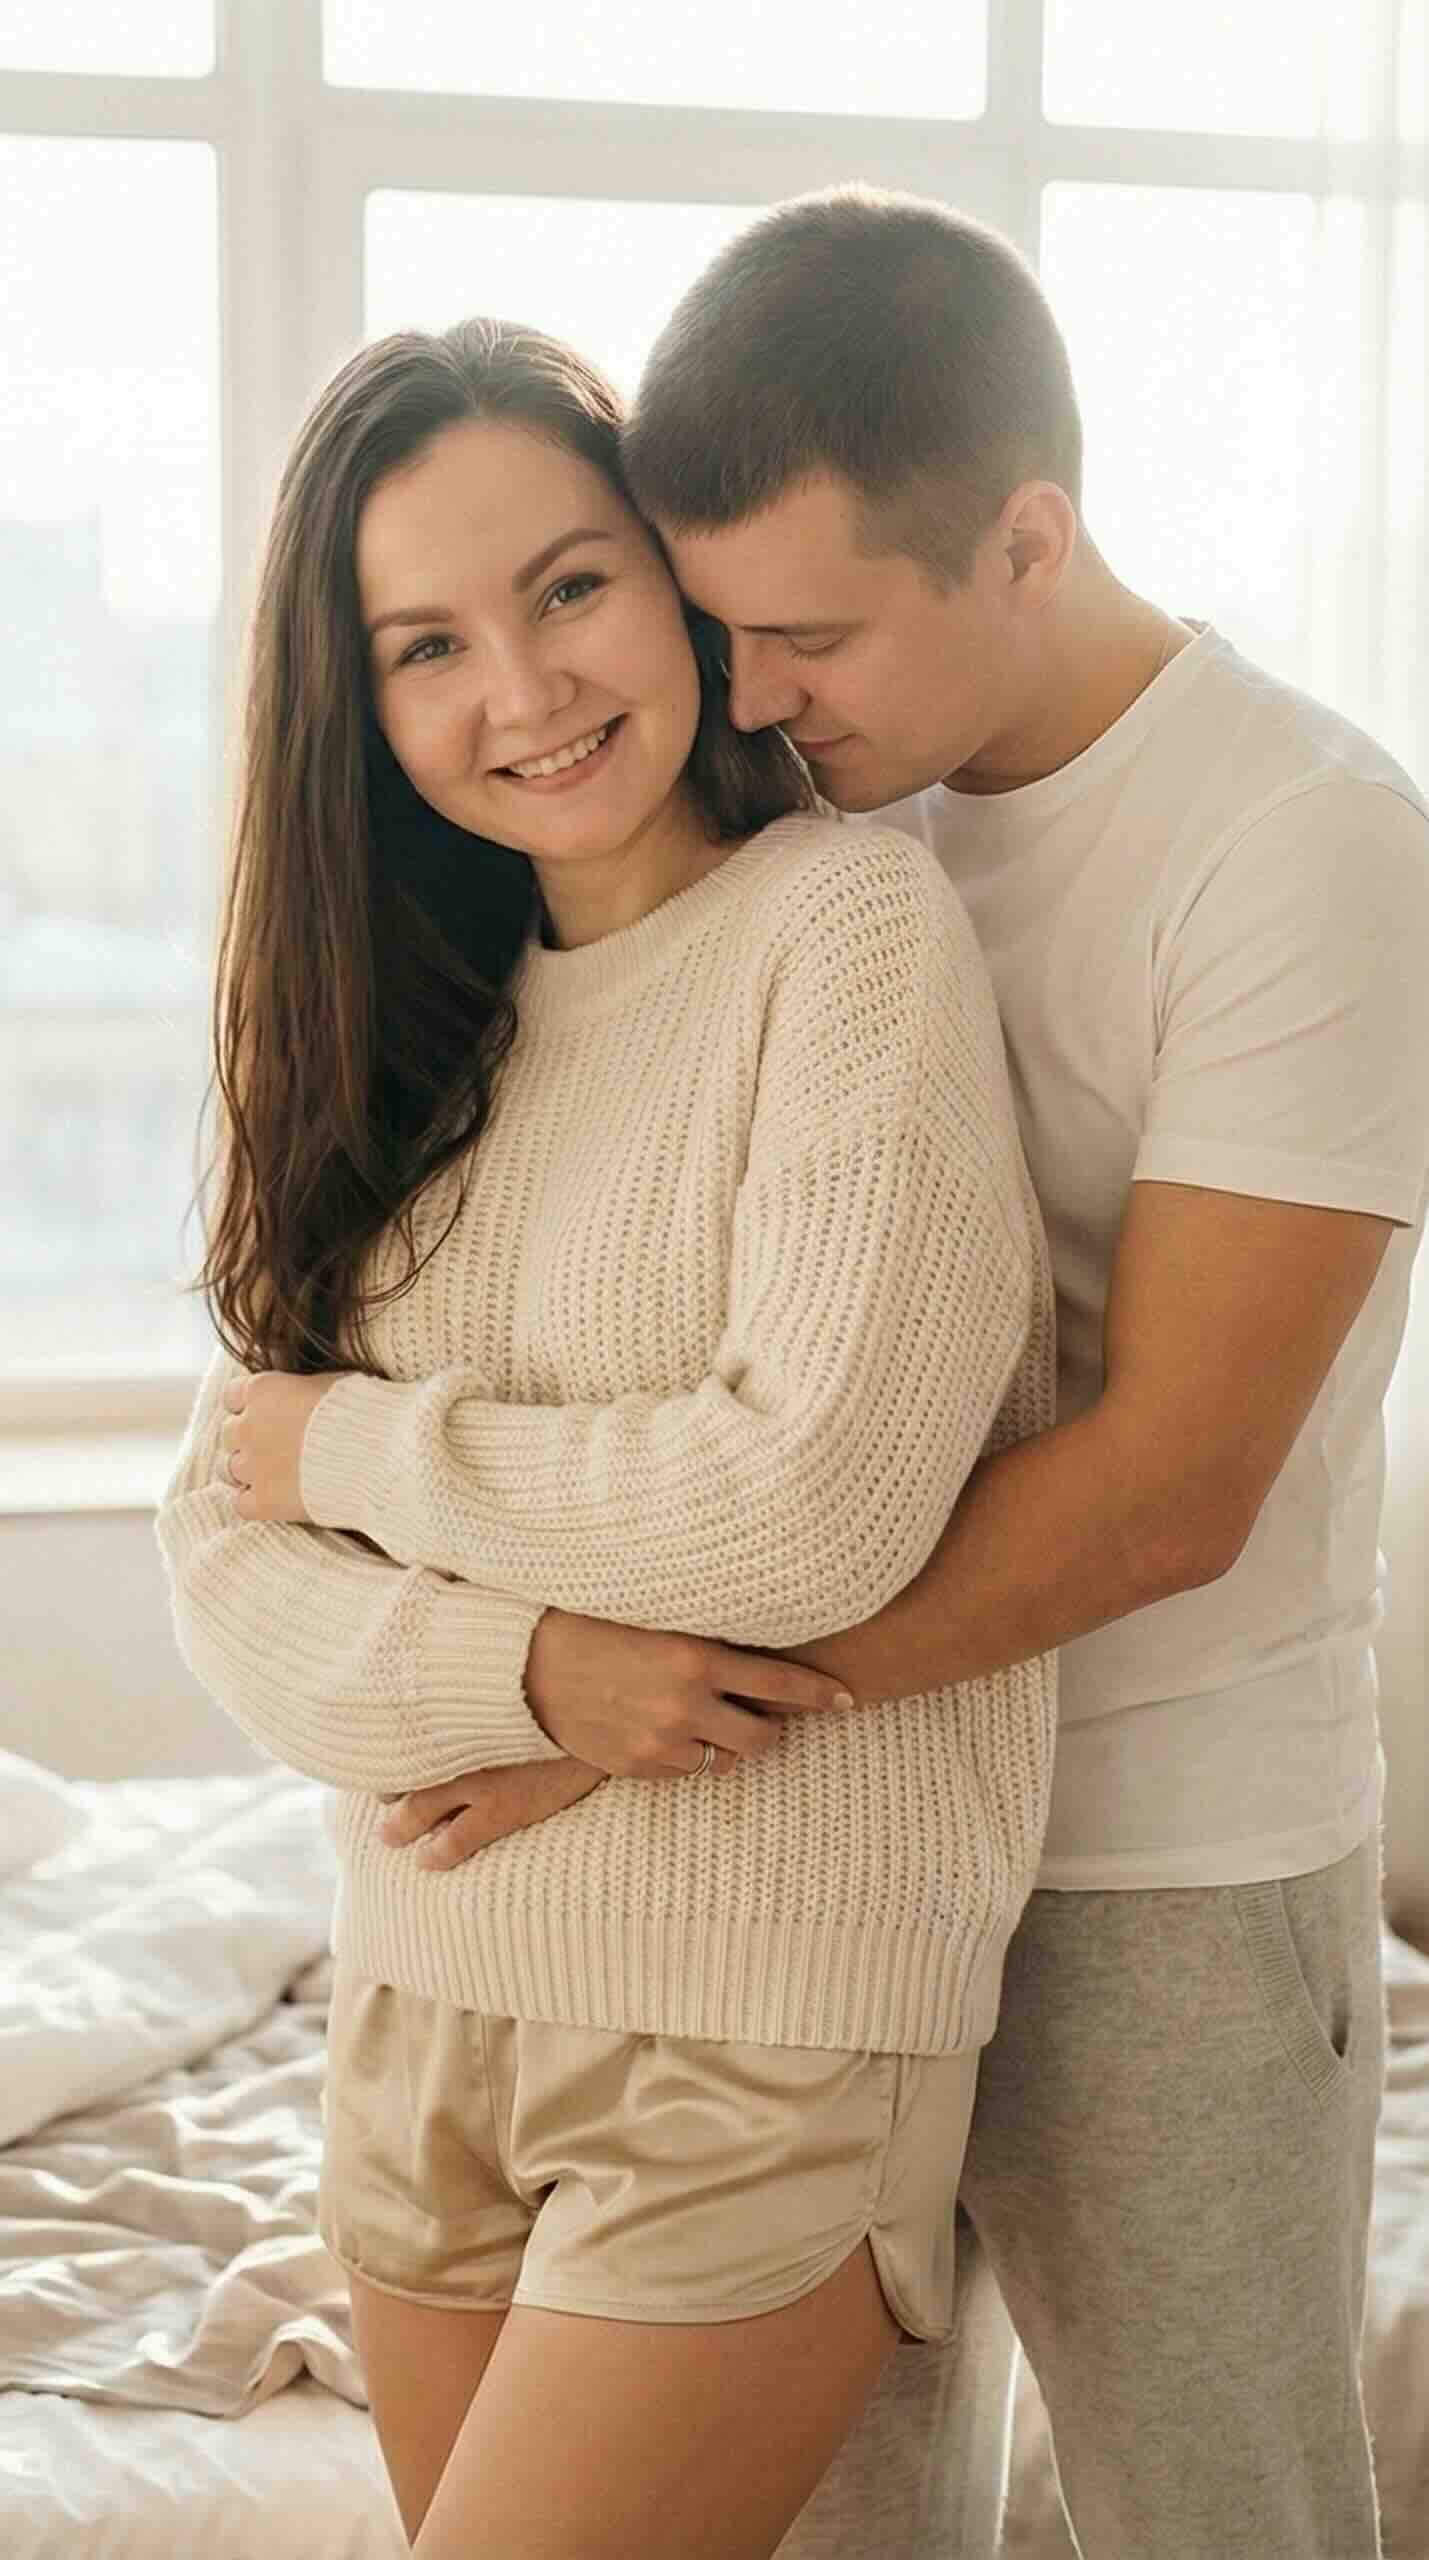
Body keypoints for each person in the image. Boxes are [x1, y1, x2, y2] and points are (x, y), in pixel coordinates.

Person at [371, 193, 1429, 2559]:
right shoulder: (817, 800)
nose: (746, 697)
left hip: (1152, 1859)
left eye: (808, 631)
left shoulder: (1304, 839)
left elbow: (1171, 1483)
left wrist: (618, 1701)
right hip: (824, 1867)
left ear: (1028, 540)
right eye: (715, 624)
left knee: (1217, 2516)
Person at [156, 315, 1058, 2559]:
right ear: (357, 707)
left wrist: (363, 1459)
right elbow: (225, 1561)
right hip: (418, 2012)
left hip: (752, 2027)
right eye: (426, 643)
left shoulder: (845, 931)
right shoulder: (404, 1024)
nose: (525, 689)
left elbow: (811, 1497)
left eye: (569, 586)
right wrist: (540, 1671)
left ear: (672, 581)